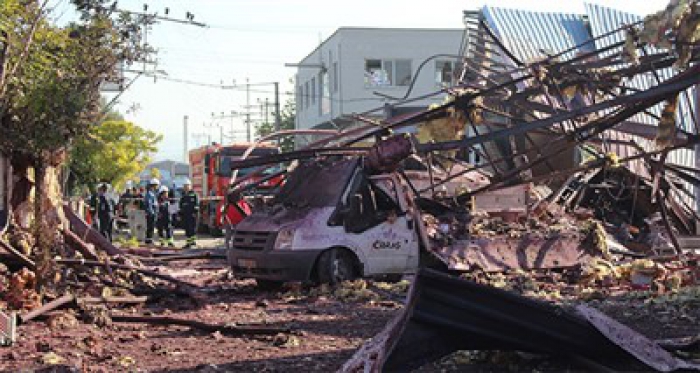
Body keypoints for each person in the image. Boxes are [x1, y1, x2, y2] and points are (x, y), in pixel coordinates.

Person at [179, 179, 199, 249]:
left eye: (187, 186)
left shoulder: (194, 194)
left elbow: (197, 205)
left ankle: (193, 243)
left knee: (192, 229)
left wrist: (195, 213)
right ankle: (188, 243)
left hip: (192, 215)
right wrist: (180, 214)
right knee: (187, 229)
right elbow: (180, 205)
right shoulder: (183, 195)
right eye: (184, 186)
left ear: (190, 186)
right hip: (185, 215)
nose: (186, 187)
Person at [144, 179, 159, 245]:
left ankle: (149, 240)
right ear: (153, 186)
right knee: (150, 227)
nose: (157, 187)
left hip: (153, 212)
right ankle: (149, 240)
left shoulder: (152, 193)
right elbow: (149, 204)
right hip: (151, 213)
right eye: (156, 186)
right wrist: (151, 212)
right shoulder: (150, 194)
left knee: (151, 227)